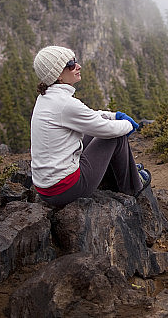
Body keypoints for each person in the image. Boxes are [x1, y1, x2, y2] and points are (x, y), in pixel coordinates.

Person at [30, 45, 151, 208]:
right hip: (66, 189)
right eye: (71, 64)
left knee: (97, 132)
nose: (78, 66)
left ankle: (125, 170)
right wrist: (128, 124)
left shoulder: (47, 97)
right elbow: (106, 129)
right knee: (115, 136)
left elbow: (89, 117)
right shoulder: (64, 103)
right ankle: (132, 186)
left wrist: (113, 116)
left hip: (47, 188)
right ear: (58, 74)